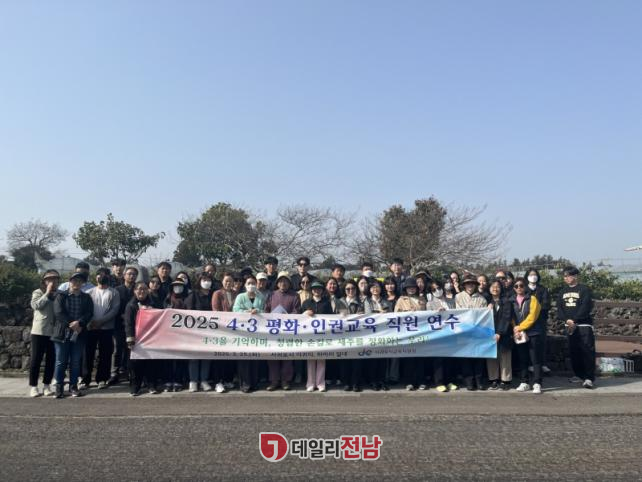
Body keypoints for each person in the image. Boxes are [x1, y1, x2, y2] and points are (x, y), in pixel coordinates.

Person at [52, 272, 94, 398]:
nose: (77, 283)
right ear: (69, 281)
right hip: (62, 333)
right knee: (60, 361)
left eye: (80, 281)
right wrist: (72, 323)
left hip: (79, 333)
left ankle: (73, 387)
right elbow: (58, 312)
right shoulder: (61, 296)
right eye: (74, 280)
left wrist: (79, 323)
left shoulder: (86, 297)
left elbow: (89, 313)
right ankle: (59, 387)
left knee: (75, 362)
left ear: (83, 283)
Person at [82, 267, 120, 390]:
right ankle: (85, 379)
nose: (101, 277)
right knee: (88, 353)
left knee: (105, 354)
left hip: (107, 328)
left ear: (108, 277)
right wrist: (91, 322)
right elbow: (86, 310)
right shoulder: (89, 292)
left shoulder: (114, 292)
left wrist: (100, 322)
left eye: (104, 275)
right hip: (91, 327)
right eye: (99, 275)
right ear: (96, 277)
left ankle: (102, 378)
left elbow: (114, 310)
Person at [557, 266, 595, 389]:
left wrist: (575, 319)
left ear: (575, 276)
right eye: (564, 276)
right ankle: (578, 374)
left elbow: (585, 306)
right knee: (574, 351)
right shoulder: (562, 291)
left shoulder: (584, 289)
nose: (566, 278)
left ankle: (589, 378)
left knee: (587, 351)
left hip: (583, 325)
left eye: (568, 275)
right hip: (569, 326)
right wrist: (566, 320)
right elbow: (559, 308)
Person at [265, 272, 301, 390]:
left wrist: (286, 316)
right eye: (280, 281)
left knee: (287, 356)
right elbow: (266, 310)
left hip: (288, 330)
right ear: (277, 283)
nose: (283, 283)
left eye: (285, 281)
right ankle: (274, 381)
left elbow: (297, 311)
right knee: (273, 356)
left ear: (289, 283)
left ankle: (285, 381)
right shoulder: (271, 294)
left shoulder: (295, 295)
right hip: (273, 330)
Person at [28, 270, 60, 397]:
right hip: (39, 331)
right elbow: (36, 305)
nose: (52, 281)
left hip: (53, 331)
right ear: (44, 281)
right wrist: (47, 292)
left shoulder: (59, 294)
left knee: (51, 360)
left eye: (55, 279)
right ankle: (33, 386)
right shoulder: (38, 292)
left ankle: (47, 385)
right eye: (49, 279)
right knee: (36, 359)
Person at [232, 275, 266, 393]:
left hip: (257, 331)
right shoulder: (240, 296)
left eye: (253, 283)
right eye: (249, 283)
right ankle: (245, 384)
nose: (251, 285)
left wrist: (258, 311)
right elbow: (235, 310)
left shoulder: (261, 297)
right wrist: (246, 312)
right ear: (245, 285)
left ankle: (254, 383)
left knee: (255, 358)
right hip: (243, 332)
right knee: (244, 359)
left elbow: (265, 310)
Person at [455, 274, 489, 391]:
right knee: (466, 358)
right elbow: (458, 314)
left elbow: (485, 317)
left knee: (478, 357)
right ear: (464, 285)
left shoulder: (482, 299)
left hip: (478, 331)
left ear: (475, 285)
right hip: (463, 331)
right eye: (467, 283)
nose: (470, 285)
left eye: (472, 283)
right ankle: (469, 381)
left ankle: (479, 380)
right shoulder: (458, 297)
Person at [125, 282, 160, 395]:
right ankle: (135, 386)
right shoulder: (131, 305)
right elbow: (128, 323)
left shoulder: (154, 303)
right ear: (134, 291)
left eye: (144, 289)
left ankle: (151, 385)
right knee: (135, 364)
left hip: (151, 338)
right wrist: (130, 338)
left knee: (151, 363)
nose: (142, 291)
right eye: (139, 289)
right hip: (136, 338)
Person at [511, 277, 543, 394]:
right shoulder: (512, 300)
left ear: (525, 286)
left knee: (535, 359)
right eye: (516, 286)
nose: (519, 288)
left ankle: (537, 383)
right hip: (519, 334)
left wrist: (520, 327)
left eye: (521, 285)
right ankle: (524, 382)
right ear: (514, 288)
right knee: (522, 358)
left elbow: (532, 316)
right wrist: (515, 329)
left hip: (533, 332)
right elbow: (512, 317)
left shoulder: (532, 299)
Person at [395, 277, 428, 390]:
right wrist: (408, 313)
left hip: (421, 331)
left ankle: (421, 381)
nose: (411, 289)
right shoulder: (401, 300)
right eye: (409, 287)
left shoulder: (422, 299)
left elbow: (428, 314)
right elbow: (396, 315)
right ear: (405, 289)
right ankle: (409, 382)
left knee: (420, 358)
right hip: (407, 332)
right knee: (409, 359)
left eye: (413, 287)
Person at [186, 272, 216, 392]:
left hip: (210, 331)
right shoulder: (193, 294)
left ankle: (204, 380)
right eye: (204, 280)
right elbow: (188, 311)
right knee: (194, 357)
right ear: (199, 281)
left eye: (209, 280)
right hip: (195, 331)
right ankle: (193, 381)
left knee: (206, 356)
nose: (206, 282)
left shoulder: (213, 294)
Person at [301, 281, 333, 392]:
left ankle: (320, 383)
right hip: (309, 335)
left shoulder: (326, 303)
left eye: (319, 288)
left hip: (322, 335)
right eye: (314, 288)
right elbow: (298, 318)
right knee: (310, 360)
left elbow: (331, 318)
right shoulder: (306, 303)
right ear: (311, 290)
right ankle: (310, 383)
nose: (316, 290)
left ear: (322, 290)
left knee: (321, 359)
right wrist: (305, 313)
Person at [110, 266, 138, 385]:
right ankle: (114, 373)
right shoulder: (117, 290)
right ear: (124, 275)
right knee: (117, 349)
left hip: (134, 324)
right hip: (118, 324)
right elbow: (113, 307)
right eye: (129, 274)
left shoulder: (138, 289)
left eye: (134, 274)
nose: (131, 276)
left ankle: (129, 372)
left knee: (130, 349)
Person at [363, 279, 393, 391]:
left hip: (384, 333)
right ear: (369, 289)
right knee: (373, 359)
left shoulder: (386, 301)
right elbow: (368, 315)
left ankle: (382, 380)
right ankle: (373, 381)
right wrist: (380, 313)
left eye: (377, 287)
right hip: (371, 334)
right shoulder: (367, 301)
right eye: (373, 287)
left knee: (383, 359)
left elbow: (391, 315)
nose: (375, 289)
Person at [211, 273, 238, 393]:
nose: (228, 283)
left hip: (234, 330)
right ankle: (218, 382)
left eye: (230, 281)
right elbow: (215, 310)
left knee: (230, 356)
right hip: (221, 329)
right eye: (226, 281)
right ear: (222, 282)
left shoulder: (236, 294)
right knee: (219, 357)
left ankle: (228, 379)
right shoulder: (217, 293)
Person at [486, 279, 513, 390]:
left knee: (504, 356)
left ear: (501, 289)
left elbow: (506, 318)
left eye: (497, 286)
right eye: (492, 286)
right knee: (492, 356)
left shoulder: (506, 301)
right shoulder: (487, 302)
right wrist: (486, 309)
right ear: (489, 289)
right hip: (489, 334)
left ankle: (505, 380)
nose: (495, 288)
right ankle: (493, 379)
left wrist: (499, 332)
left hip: (504, 333)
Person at [526, 268, 552, 374]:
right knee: (528, 343)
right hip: (526, 320)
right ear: (527, 276)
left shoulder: (543, 289)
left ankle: (543, 364)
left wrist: (536, 311)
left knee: (541, 342)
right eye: (531, 274)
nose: (533, 277)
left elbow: (546, 303)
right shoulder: (524, 288)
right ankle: (530, 364)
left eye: (535, 274)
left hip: (540, 319)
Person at [341, 280, 364, 391]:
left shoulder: (361, 301)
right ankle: (346, 382)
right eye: (348, 289)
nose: (350, 291)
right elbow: (340, 315)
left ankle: (355, 383)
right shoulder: (340, 301)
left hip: (358, 334)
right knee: (345, 360)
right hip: (343, 335)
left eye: (353, 288)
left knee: (357, 360)